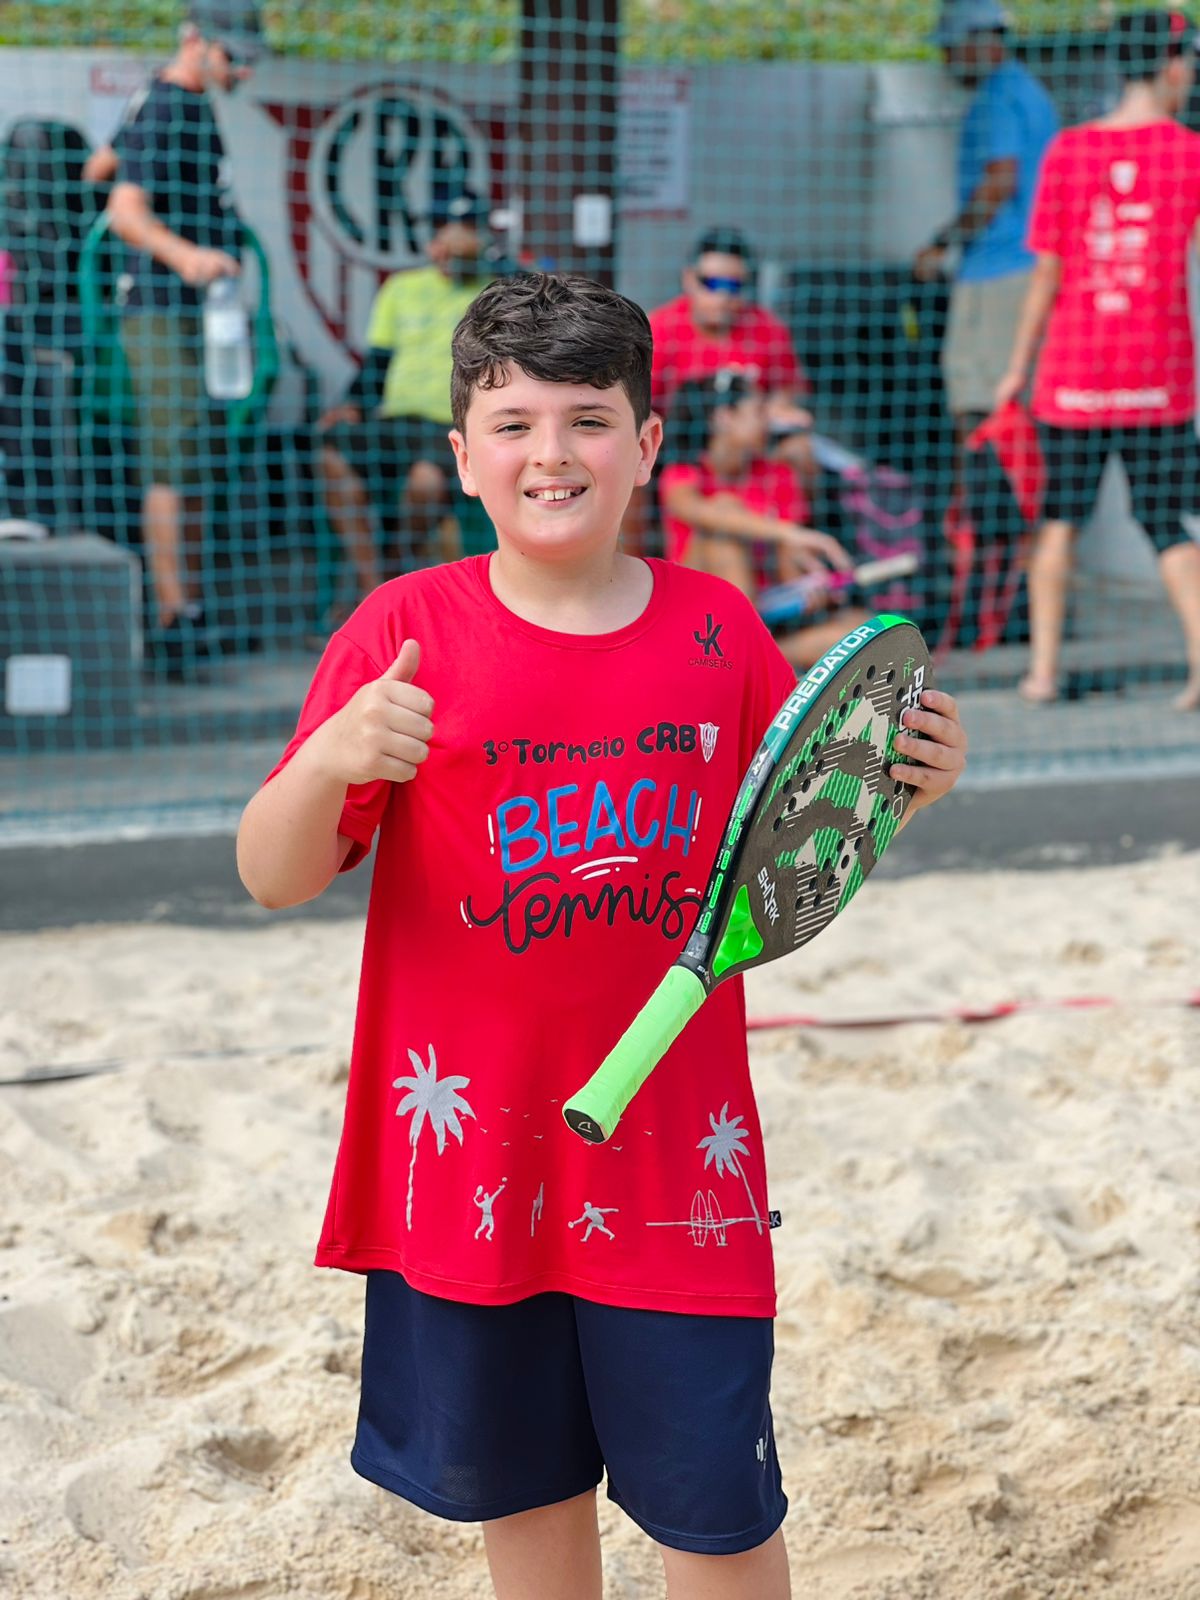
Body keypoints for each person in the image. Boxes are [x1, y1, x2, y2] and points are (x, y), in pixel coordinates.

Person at [237, 271, 967, 1600]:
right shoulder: (403, 634)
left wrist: (909, 783)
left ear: (646, 447)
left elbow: (794, 854)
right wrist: (326, 759)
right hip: (471, 1170)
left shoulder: (720, 630)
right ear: (462, 457)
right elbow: (272, 874)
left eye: (586, 419)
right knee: (529, 1504)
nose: (549, 453)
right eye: (511, 423)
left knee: (720, 1520)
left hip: (676, 1172)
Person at [995, 7, 1200, 710]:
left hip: (1073, 376)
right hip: (1158, 377)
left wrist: (1017, 367)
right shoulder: (1189, 154)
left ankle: (1042, 674)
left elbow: (1045, 277)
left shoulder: (1069, 151)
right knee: (1168, 523)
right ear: (1175, 65)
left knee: (1058, 522)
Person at [105, 0, 264, 678]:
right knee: (173, 462)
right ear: (195, 41)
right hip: (164, 306)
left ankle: (191, 608)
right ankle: (175, 619)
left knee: (194, 456)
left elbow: (100, 168)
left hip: (198, 312)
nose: (242, 70)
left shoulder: (169, 102)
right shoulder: (169, 103)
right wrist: (185, 256)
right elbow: (122, 210)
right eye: (232, 55)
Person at [317, 192, 494, 607]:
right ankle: (372, 588)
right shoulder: (402, 288)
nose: (450, 246)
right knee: (330, 453)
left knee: (426, 482)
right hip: (397, 420)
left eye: (464, 233)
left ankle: (395, 570)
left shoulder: (499, 291)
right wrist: (354, 404)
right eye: (443, 236)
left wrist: (476, 260)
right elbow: (378, 361)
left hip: (453, 423)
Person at [914, 0, 1058, 443]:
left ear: (982, 42)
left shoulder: (999, 96)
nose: (947, 60)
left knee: (980, 408)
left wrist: (944, 243)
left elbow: (999, 180)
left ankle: (979, 510)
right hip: (1026, 268)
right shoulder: (1029, 93)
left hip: (997, 272)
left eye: (952, 47)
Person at [660, 371, 868, 667]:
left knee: (869, 631)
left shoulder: (778, 475)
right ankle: (741, 656)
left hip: (767, 620)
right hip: (700, 626)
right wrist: (789, 533)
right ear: (724, 417)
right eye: (758, 411)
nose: (767, 420)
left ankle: (749, 659)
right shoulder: (684, 475)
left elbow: (788, 566)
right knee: (724, 518)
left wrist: (811, 588)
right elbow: (696, 510)